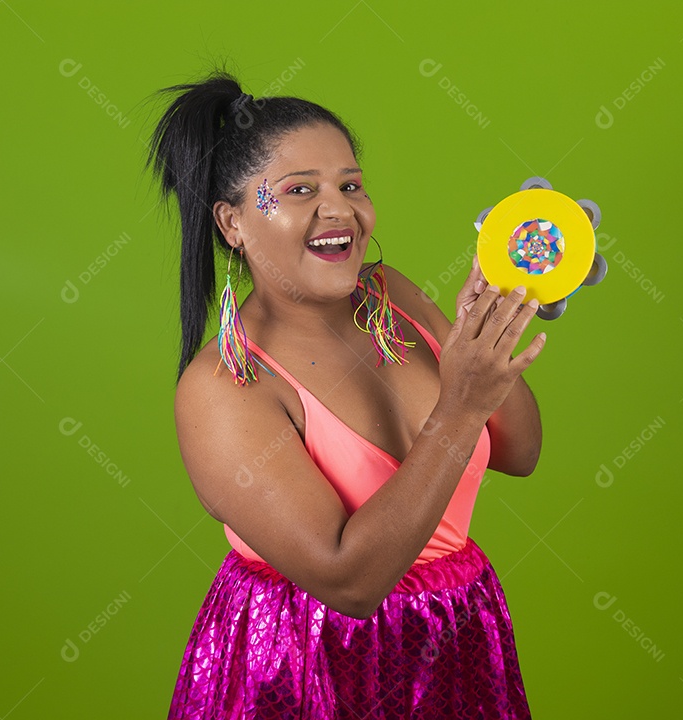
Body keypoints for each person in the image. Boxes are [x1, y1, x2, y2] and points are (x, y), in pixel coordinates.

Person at [145, 68, 546, 719]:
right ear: (232, 222)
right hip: (306, 667)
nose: (339, 210)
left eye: (350, 185)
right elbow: (350, 584)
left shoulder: (394, 296)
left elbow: (519, 452)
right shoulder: (224, 387)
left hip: (456, 638)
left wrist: (487, 331)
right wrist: (461, 405)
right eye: (299, 190)